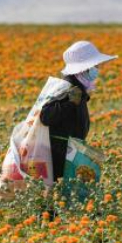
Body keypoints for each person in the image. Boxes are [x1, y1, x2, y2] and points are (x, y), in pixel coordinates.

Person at [41, 41, 117, 184]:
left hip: (69, 153)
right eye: (95, 66)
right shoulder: (69, 88)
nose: (98, 69)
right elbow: (46, 116)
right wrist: (70, 103)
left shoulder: (77, 88)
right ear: (84, 68)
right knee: (59, 198)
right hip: (59, 157)